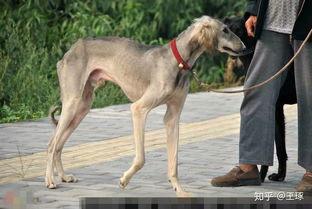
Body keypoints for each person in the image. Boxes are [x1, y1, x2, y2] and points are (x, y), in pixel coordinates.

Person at [211, 0, 312, 192]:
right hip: (272, 19)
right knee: (256, 90)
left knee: (310, 96)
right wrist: (254, 9)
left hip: (306, 19)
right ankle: (248, 166)